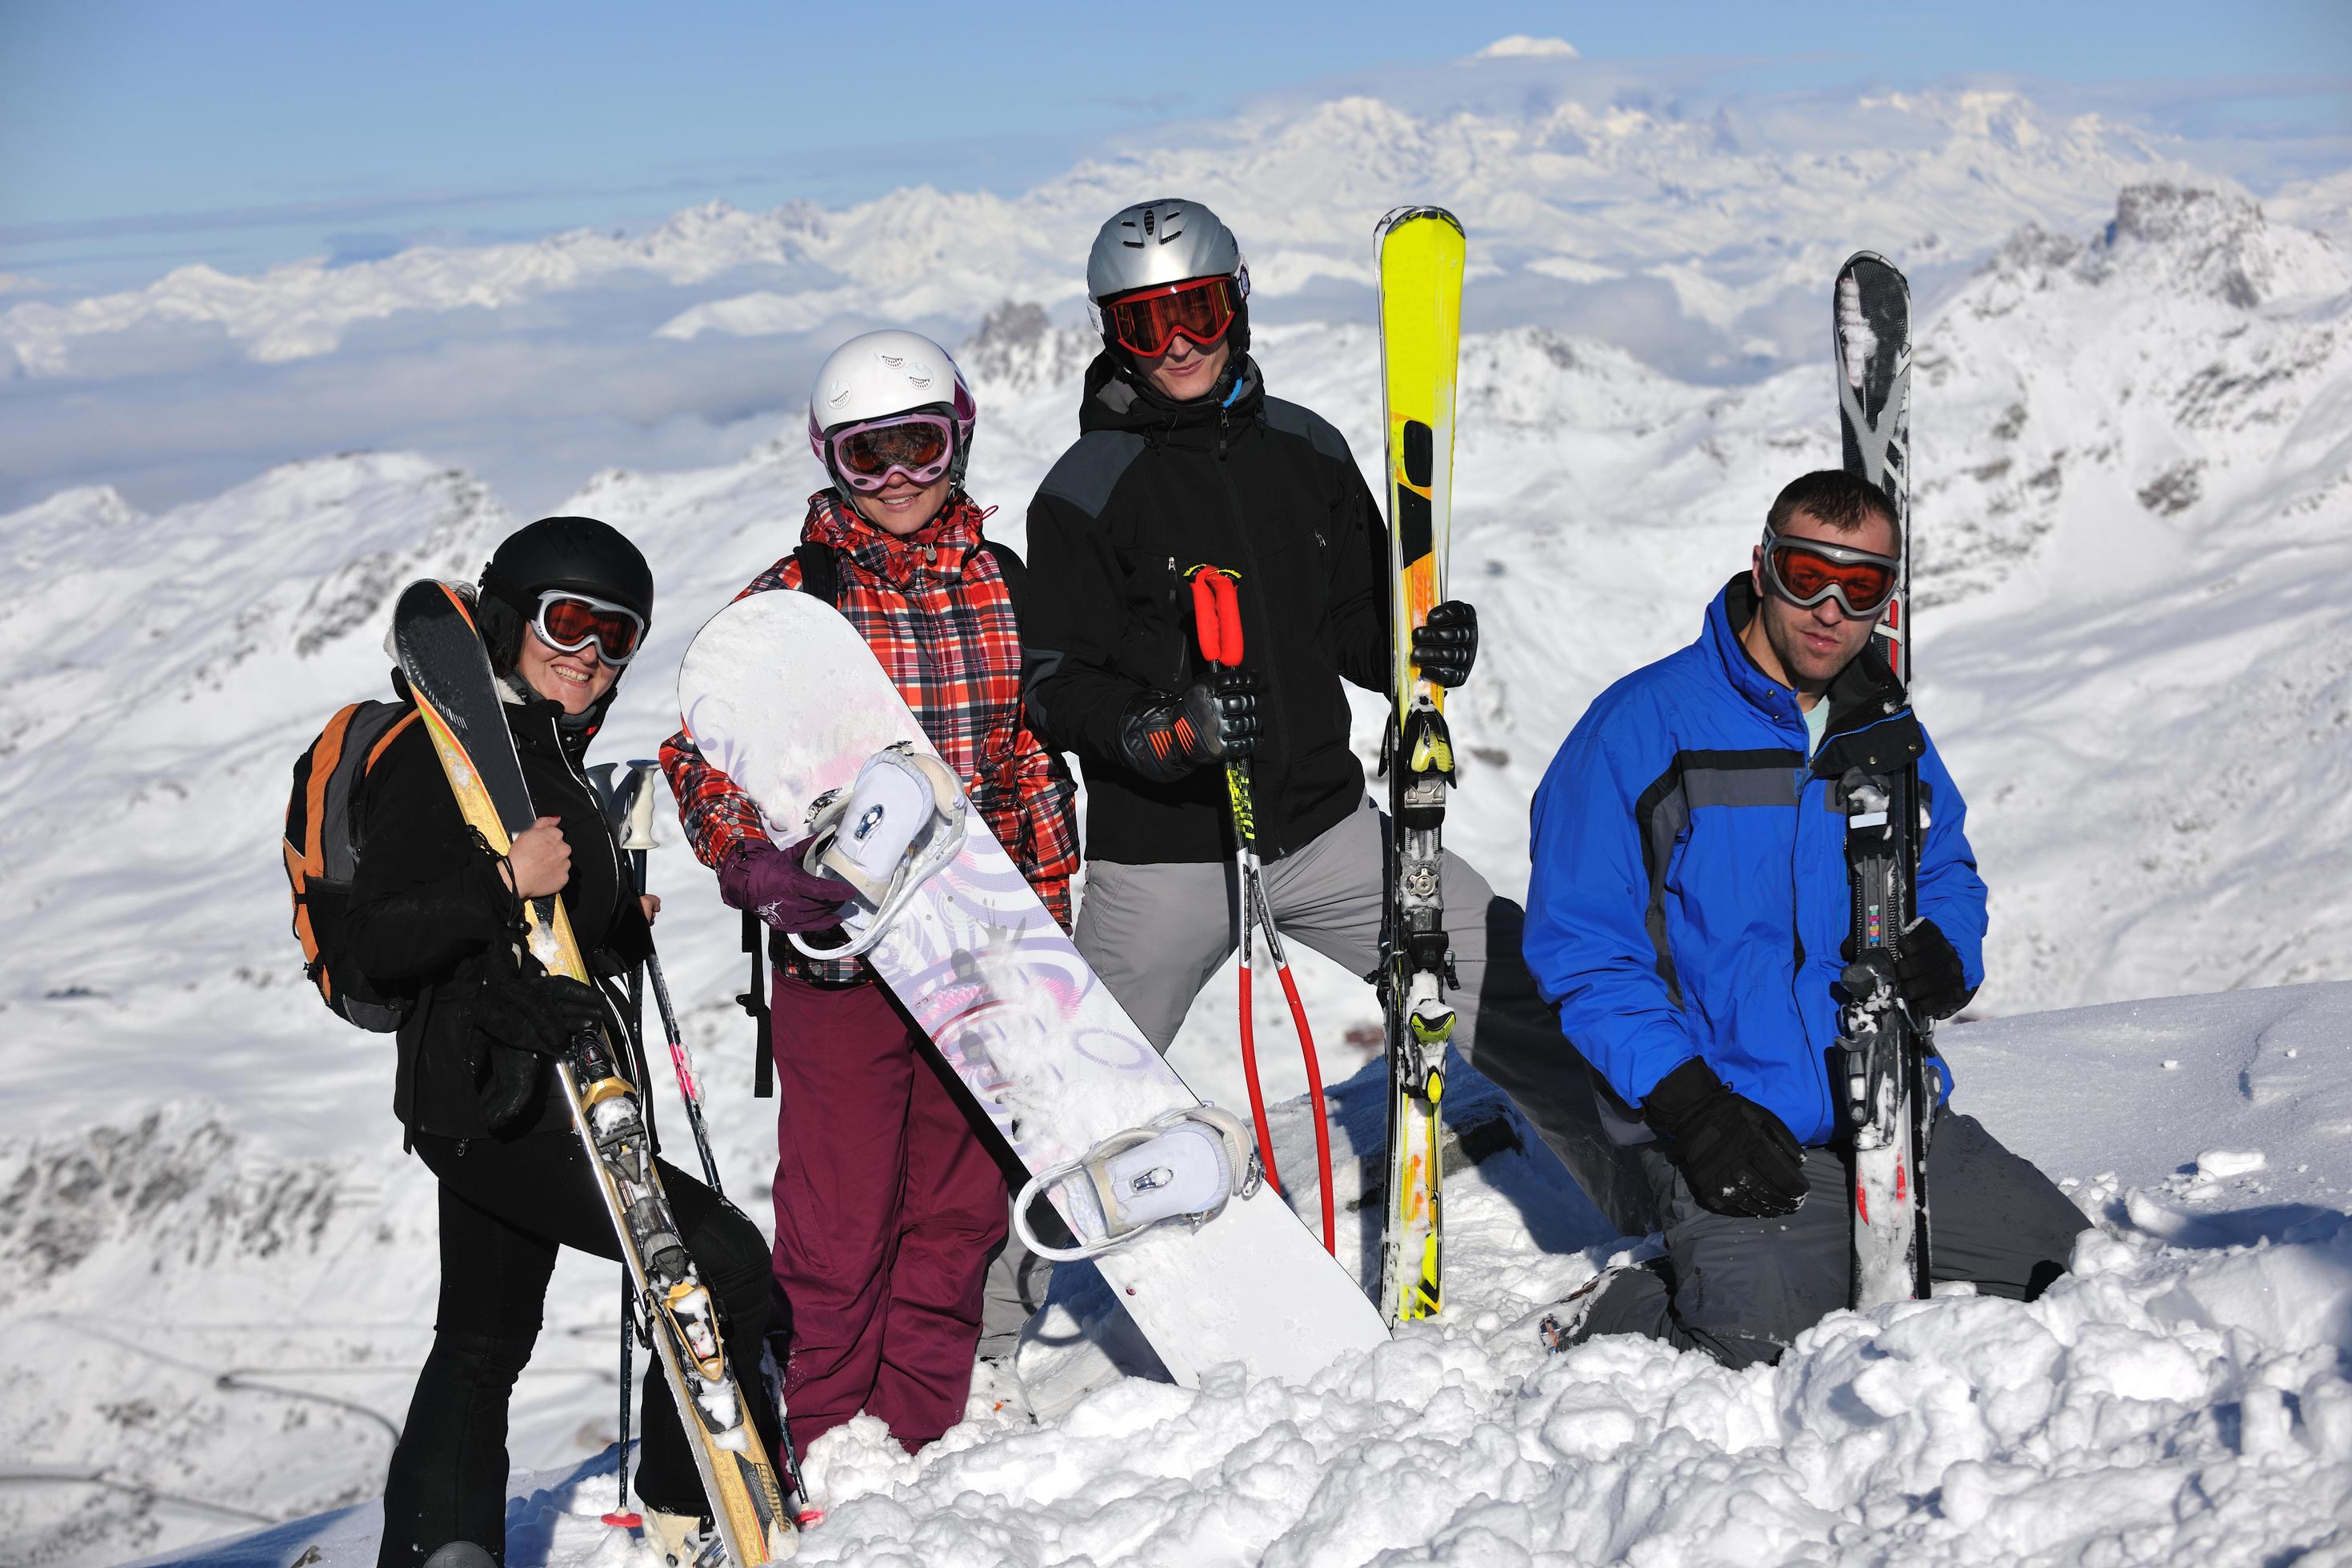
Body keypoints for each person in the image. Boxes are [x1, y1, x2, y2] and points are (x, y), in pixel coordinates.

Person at [1018, 197, 1574, 1149]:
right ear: (1111, 335)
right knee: (1073, 1110)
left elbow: (1356, 621)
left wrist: (1415, 651)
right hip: (1164, 866)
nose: (1179, 343)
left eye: (1199, 309)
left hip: (1326, 833)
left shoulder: (1306, 448)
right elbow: (1056, 683)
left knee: (1516, 980)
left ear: (1237, 303)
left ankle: (1660, 1203)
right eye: (1144, 323)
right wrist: (1165, 729)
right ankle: (999, 1303)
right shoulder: (1083, 492)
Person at [1522, 470, 2088, 1367]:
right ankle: (1628, 1308)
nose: (1829, 608)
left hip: (1888, 1108)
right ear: (1762, 566)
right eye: (1804, 573)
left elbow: (1945, 868)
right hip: (1719, 1121)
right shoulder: (1641, 728)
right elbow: (1586, 952)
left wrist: (1948, 945)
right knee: (1758, 1351)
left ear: (1885, 599)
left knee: (2080, 1281)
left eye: (1859, 586)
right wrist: (1692, 1105)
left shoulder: (1885, 727)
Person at [660, 330, 1079, 1455]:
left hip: (977, 949)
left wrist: (1048, 913)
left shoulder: (1005, 586)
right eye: (866, 456)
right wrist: (749, 859)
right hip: (842, 963)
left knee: (953, 1218)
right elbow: (699, 755)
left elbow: (1027, 760)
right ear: (827, 459)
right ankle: (828, 1435)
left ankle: (922, 1431)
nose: (898, 479)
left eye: (921, 446)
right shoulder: (794, 601)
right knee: (841, 1225)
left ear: (962, 437)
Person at [350, 518, 781, 1566]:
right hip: (506, 1107)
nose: (590, 651)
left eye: (617, 634)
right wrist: (504, 885)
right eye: (568, 622)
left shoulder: (538, 746)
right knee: (722, 1269)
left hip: (512, 1097)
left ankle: (438, 1550)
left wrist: (609, 917)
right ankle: (695, 1516)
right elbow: (377, 941)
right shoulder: (436, 756)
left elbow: (536, 923)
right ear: (507, 621)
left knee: (483, 1342)